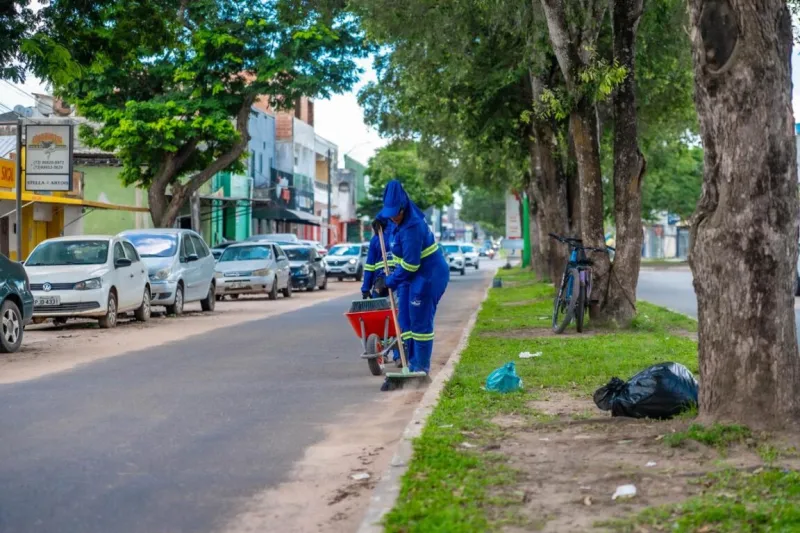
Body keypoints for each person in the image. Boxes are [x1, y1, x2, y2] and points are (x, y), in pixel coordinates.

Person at [373, 180, 449, 390]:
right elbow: (387, 213)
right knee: (404, 319)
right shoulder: (396, 215)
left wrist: (388, 282)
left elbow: (411, 264)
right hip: (408, 276)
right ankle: (408, 363)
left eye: (394, 213)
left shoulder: (412, 227)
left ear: (403, 207)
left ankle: (420, 369)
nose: (392, 218)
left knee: (420, 322)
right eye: (388, 213)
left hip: (427, 275)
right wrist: (379, 219)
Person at [361, 217, 395, 300]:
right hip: (399, 278)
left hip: (381, 281)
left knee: (377, 308)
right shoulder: (401, 235)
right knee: (399, 310)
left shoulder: (376, 239)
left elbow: (370, 266)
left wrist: (366, 288)